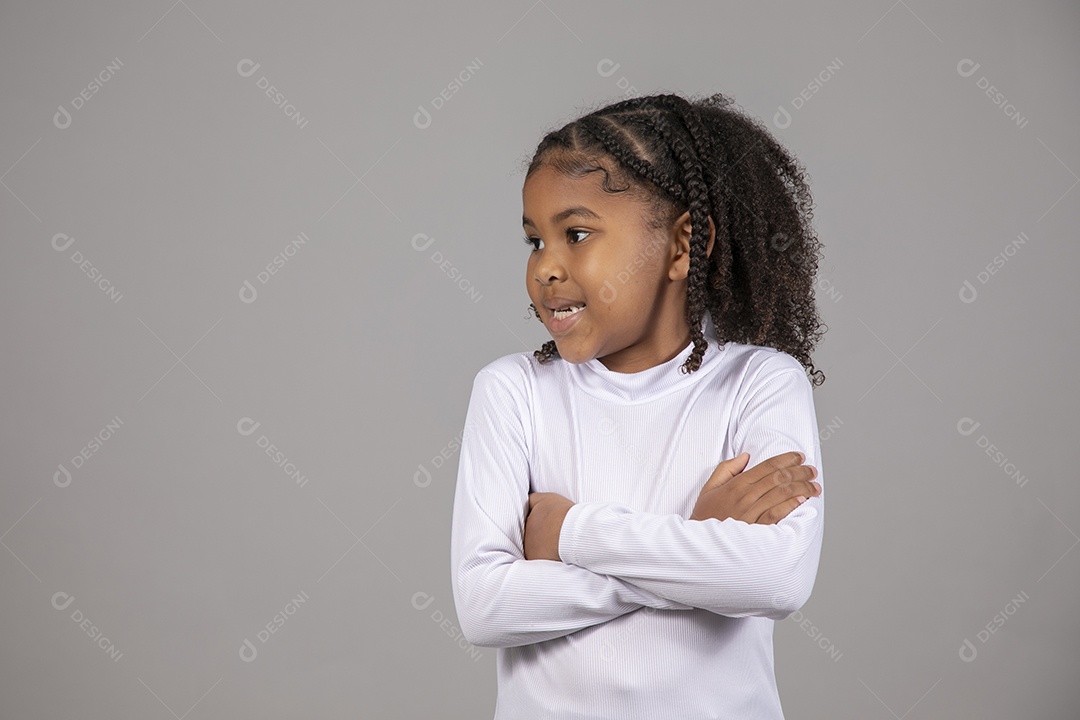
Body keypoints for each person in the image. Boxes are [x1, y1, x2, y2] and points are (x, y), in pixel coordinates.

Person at [450, 92, 828, 719]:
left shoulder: (760, 383)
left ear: (683, 245)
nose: (545, 267)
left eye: (575, 234)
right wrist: (699, 542)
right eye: (533, 241)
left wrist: (565, 532)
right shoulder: (512, 391)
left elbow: (775, 580)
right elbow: (485, 605)